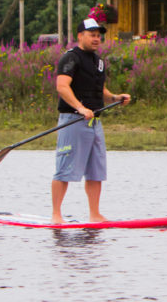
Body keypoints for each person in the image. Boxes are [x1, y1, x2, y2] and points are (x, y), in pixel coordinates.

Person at [51, 18, 131, 223]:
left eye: (98, 35)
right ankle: (56, 215)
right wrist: (80, 107)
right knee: (64, 169)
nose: (96, 39)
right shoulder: (70, 58)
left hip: (94, 123)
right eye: (92, 34)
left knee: (96, 171)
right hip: (72, 120)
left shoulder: (99, 62)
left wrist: (114, 98)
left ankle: (95, 214)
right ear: (80, 36)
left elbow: (99, 90)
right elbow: (62, 86)